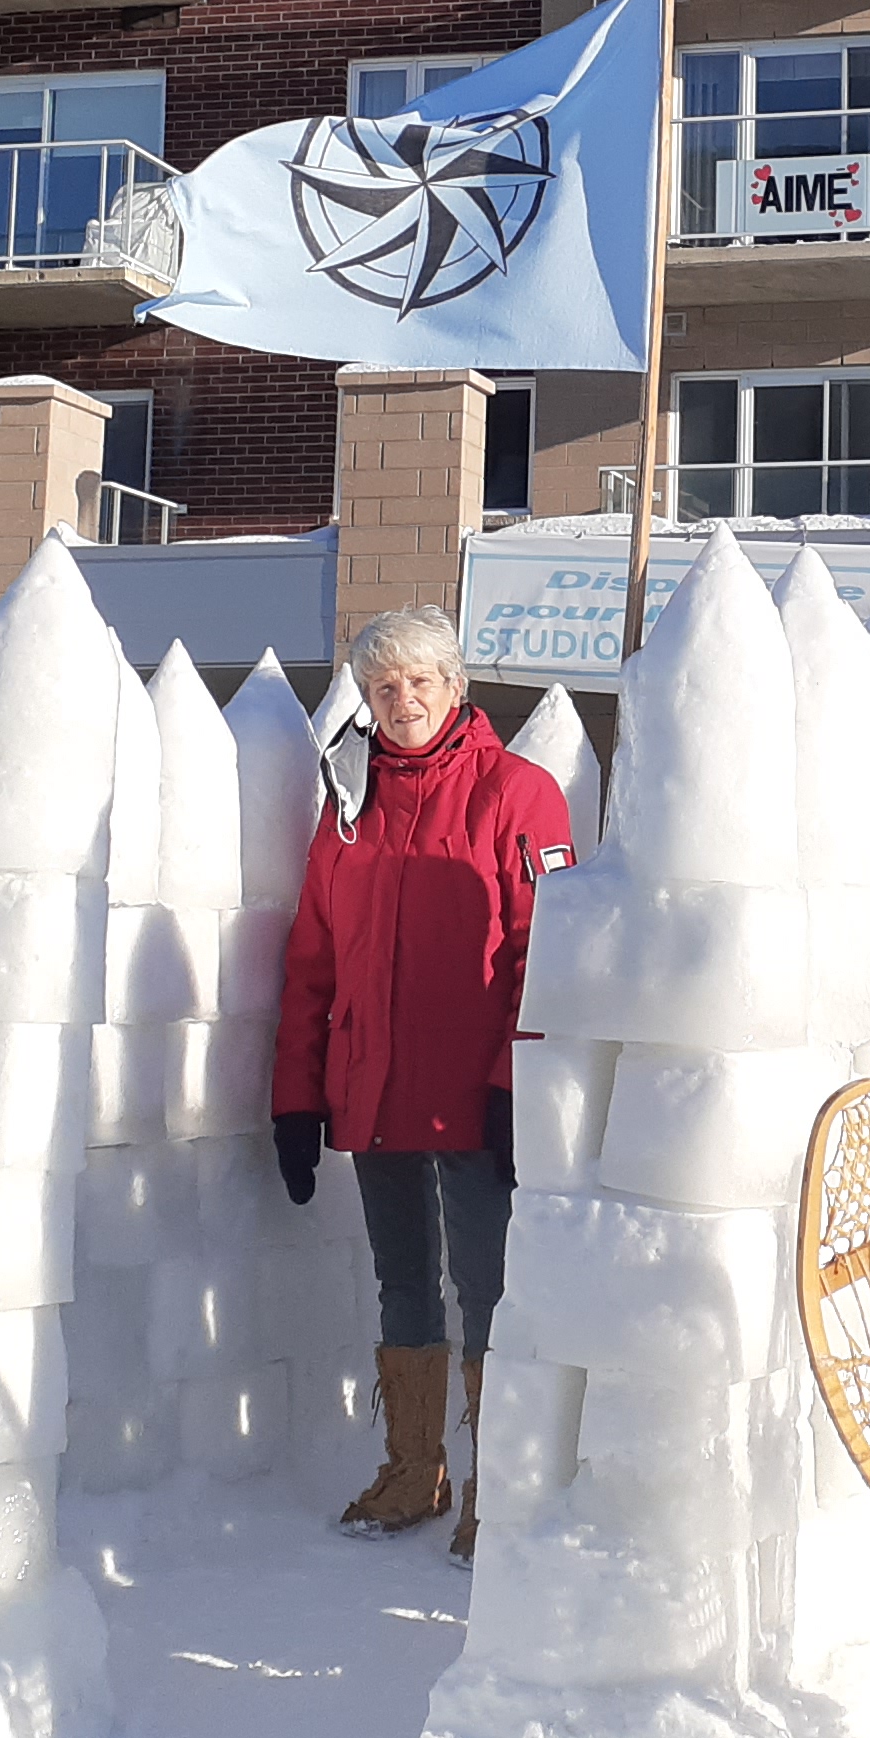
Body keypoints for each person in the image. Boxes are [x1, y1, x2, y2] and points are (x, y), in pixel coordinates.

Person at [271, 604, 573, 1561]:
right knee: (404, 1285)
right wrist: (296, 1093)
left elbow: (546, 953)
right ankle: (414, 1469)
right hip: (375, 1089)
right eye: (382, 688)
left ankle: (498, 1489)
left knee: (484, 1289)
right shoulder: (348, 802)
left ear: (457, 687)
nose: (402, 703)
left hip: (476, 1098)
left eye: (420, 683)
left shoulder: (518, 793)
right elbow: (313, 956)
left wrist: (513, 1081)